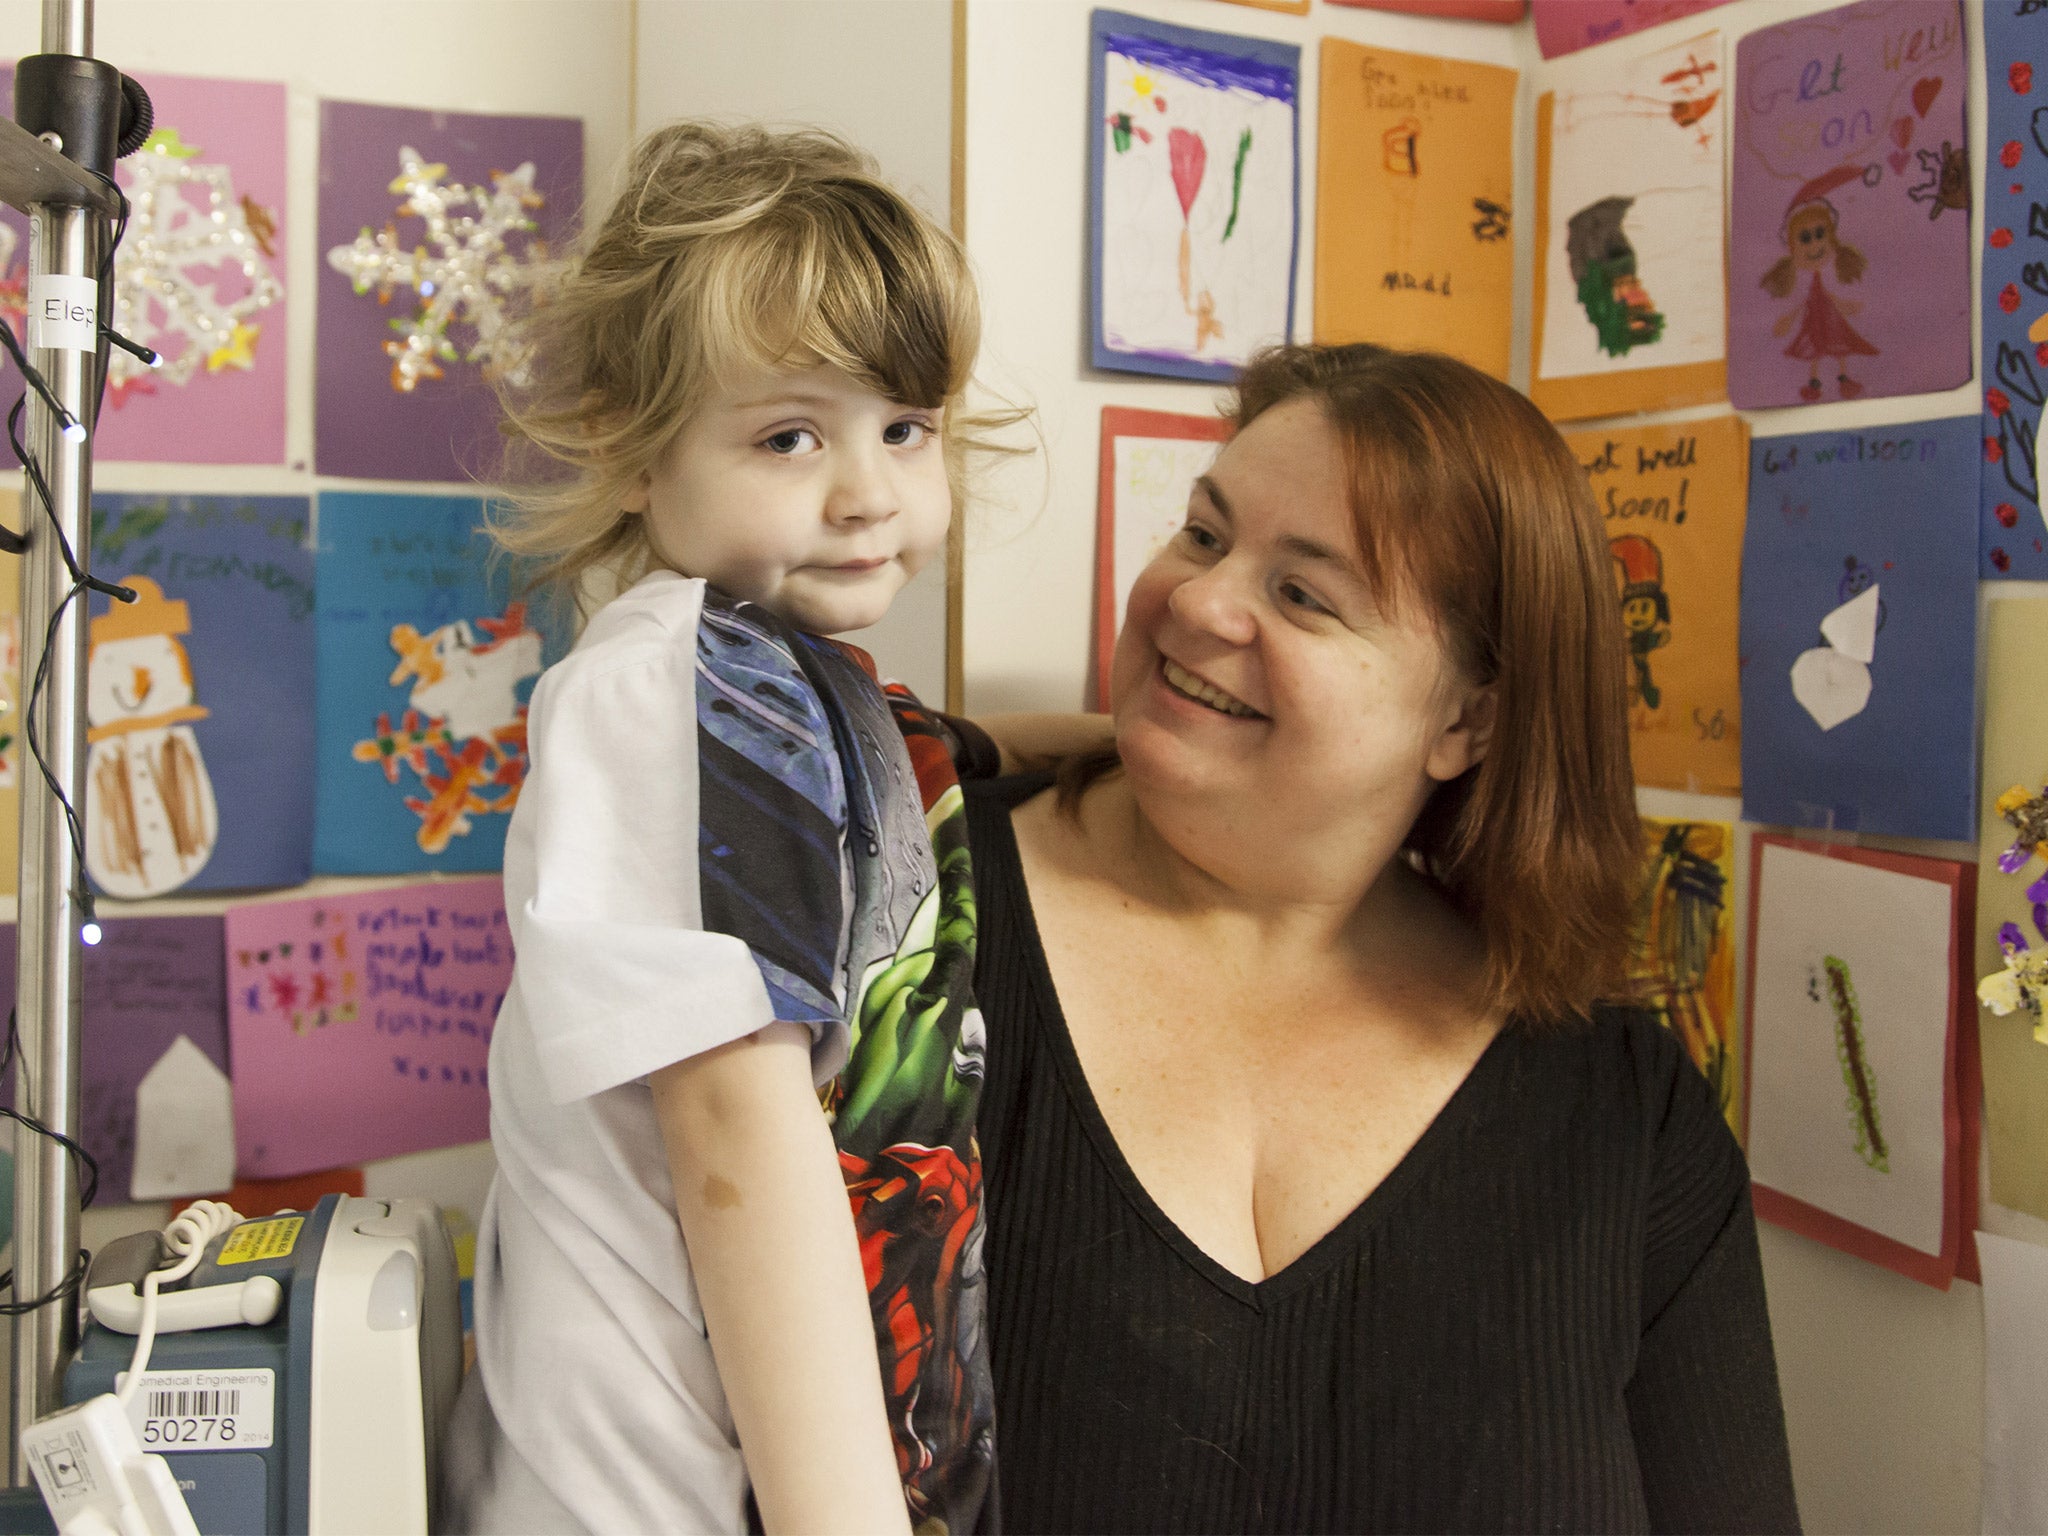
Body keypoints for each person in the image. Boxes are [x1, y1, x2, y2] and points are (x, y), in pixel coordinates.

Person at [963, 343, 1801, 1533]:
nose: (1197, 602)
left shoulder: (1619, 1111)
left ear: (1466, 718)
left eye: (1303, 594)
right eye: (1203, 535)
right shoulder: (913, 918)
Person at [442, 121, 1013, 1535]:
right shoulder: (672, 693)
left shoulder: (787, 678)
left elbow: (920, 764)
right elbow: (731, 1129)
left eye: (903, 427)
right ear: (632, 454)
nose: (869, 490)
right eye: (789, 435)